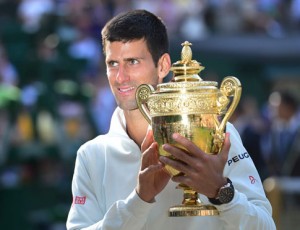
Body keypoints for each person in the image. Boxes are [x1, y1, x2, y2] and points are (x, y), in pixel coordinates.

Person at [66, 9, 276, 229]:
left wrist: (221, 192)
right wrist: (139, 200)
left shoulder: (218, 134)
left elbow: (266, 226)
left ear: (163, 66)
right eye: (113, 64)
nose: (120, 77)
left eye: (133, 62)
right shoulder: (91, 155)